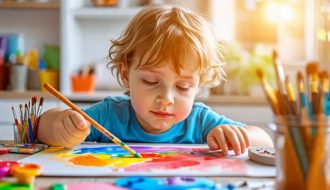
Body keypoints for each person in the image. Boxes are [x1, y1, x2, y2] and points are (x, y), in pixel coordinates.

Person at [38, 5, 273, 155]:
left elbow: (265, 142)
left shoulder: (200, 121)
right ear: (125, 75)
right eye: (151, 81)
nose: (166, 99)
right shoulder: (110, 115)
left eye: (183, 86)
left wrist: (235, 135)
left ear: (198, 86)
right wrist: (61, 125)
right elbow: (42, 127)